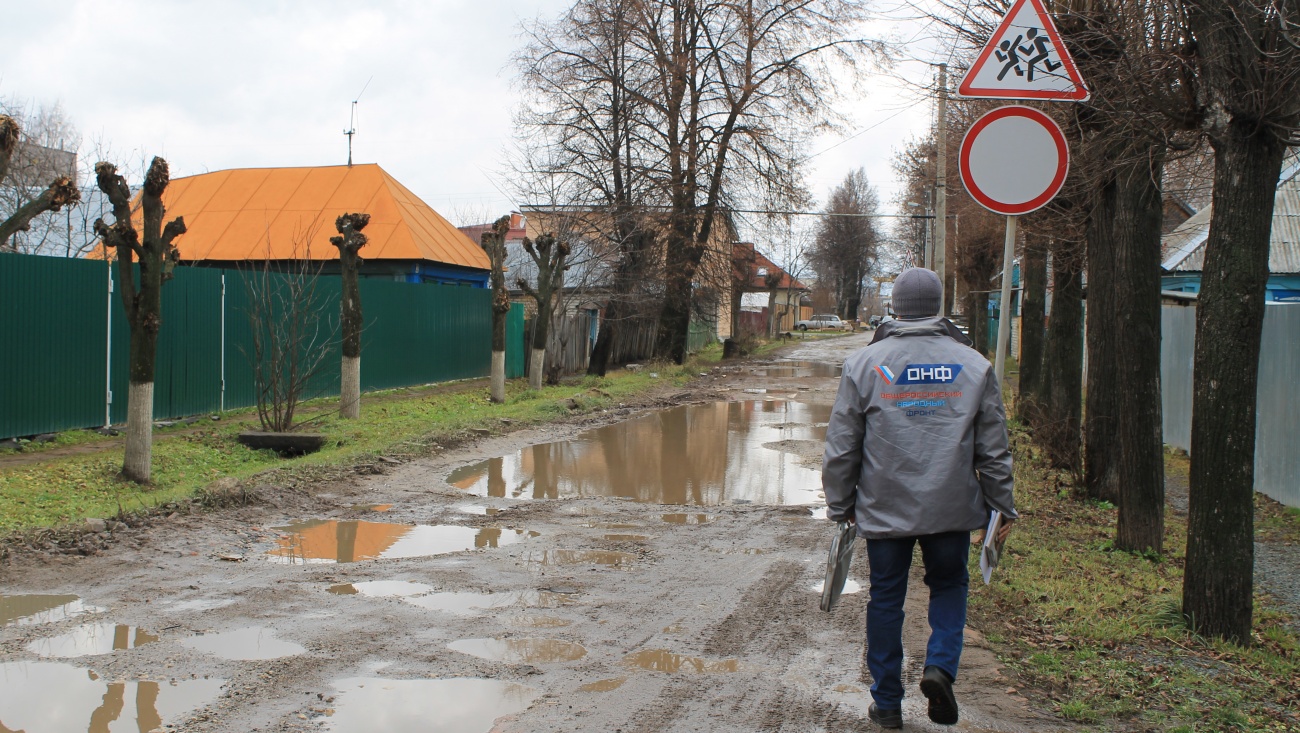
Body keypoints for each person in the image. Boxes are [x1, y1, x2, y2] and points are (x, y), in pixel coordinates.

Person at [821, 267, 1016, 729]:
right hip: (951, 506)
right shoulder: (973, 365)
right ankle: (940, 668)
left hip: (884, 506)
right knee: (949, 585)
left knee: (886, 598)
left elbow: (842, 445)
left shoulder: (865, 364)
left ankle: (887, 703)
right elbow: (994, 447)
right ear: (938, 307)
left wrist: (840, 503)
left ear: (895, 306)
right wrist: (1001, 504)